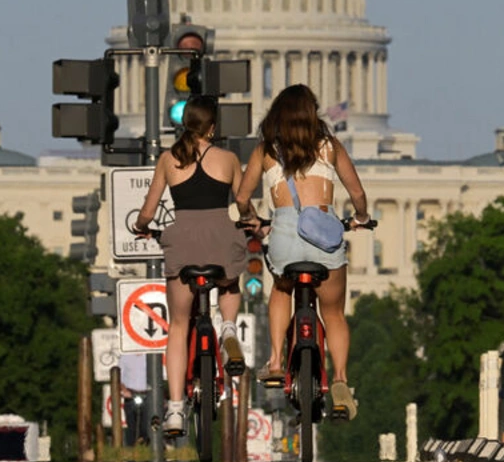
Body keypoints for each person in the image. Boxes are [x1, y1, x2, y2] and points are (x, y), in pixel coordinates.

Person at [235, 84, 370, 419]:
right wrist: (361, 219)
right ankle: (339, 378)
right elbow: (357, 193)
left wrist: (252, 219)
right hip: (324, 237)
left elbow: (241, 197)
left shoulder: (265, 151)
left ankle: (277, 360)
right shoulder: (329, 147)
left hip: (283, 237)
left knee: (281, 289)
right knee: (334, 313)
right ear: (312, 114)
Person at [134, 95, 247, 436]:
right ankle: (228, 328)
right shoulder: (228, 159)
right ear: (212, 128)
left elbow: (149, 210)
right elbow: (244, 206)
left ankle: (174, 410)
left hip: (181, 241)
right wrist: (254, 222)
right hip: (220, 237)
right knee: (230, 281)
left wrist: (141, 227)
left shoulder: (169, 159)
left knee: (179, 326)